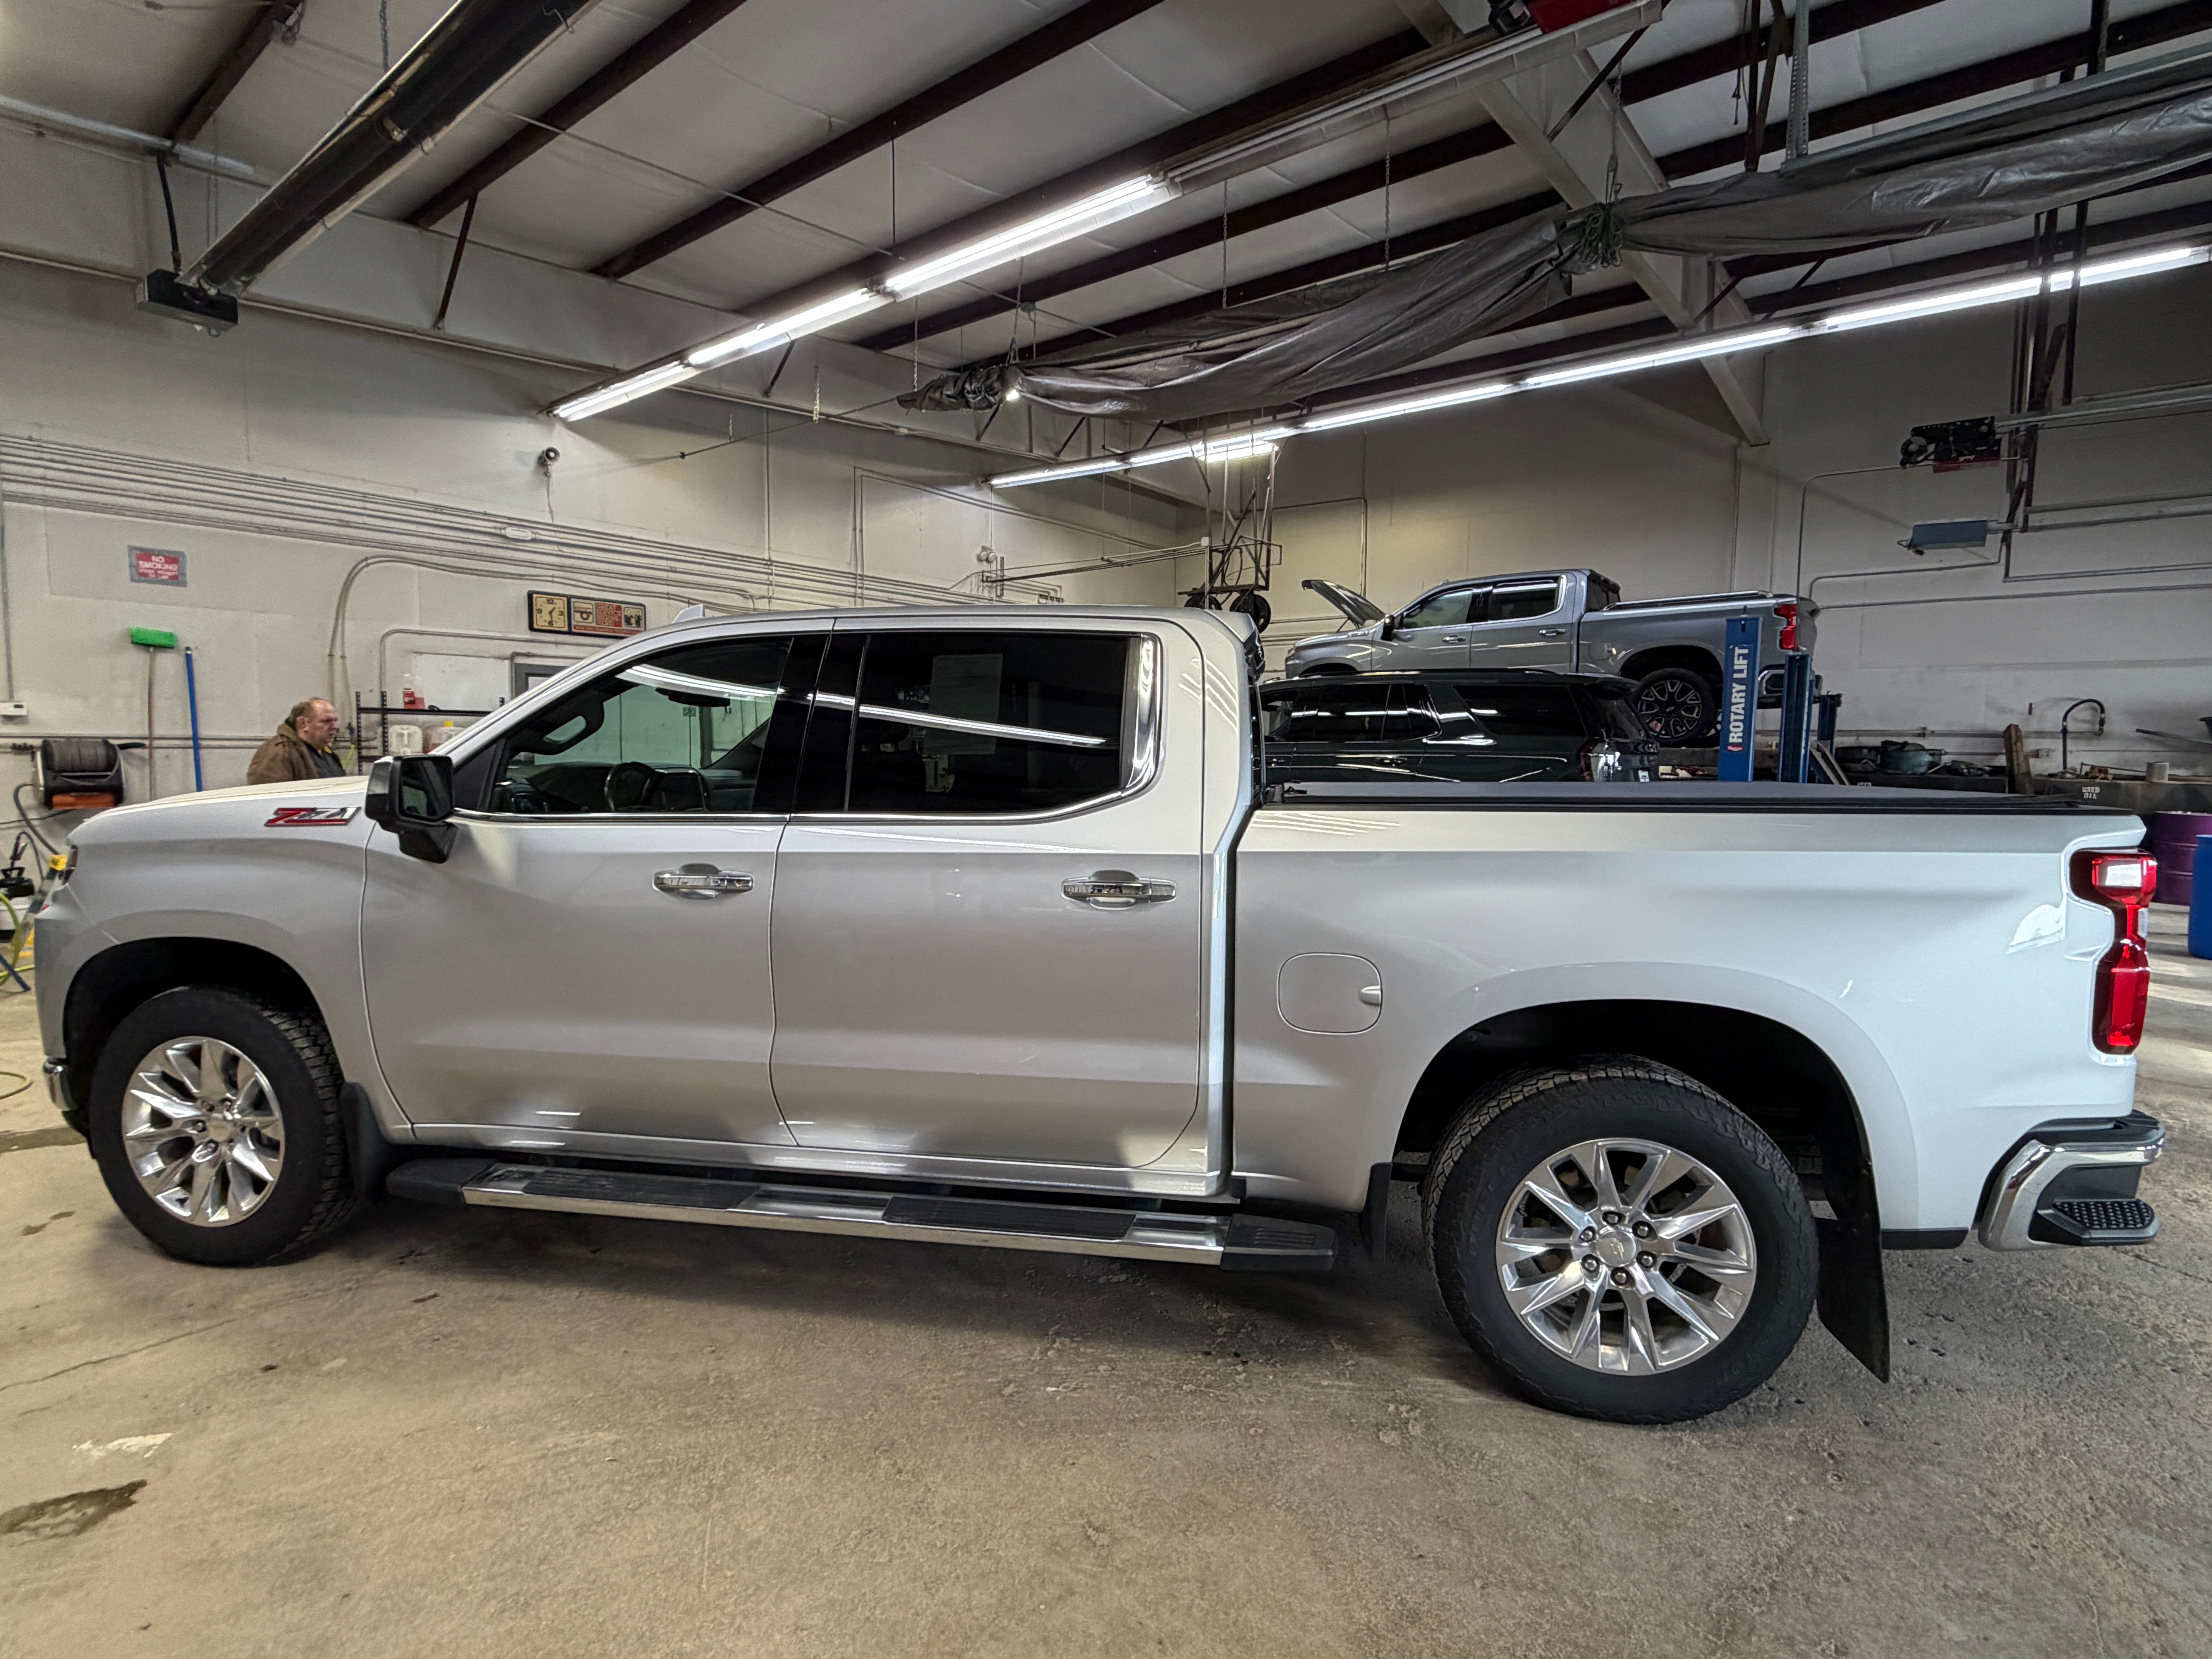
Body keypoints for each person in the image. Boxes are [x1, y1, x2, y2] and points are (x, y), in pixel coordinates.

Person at [248, 697, 346, 785]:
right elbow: (269, 799)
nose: (335, 727)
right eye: (326, 721)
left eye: (335, 721)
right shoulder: (279, 753)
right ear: (303, 724)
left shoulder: (327, 753)